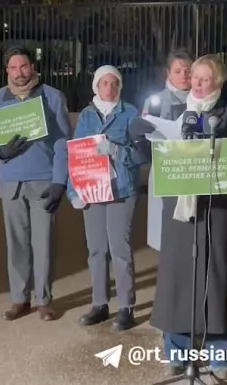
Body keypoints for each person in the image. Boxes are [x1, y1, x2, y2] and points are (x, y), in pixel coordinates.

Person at [131, 54, 227, 380]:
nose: (197, 82)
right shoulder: (178, 114)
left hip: (214, 209)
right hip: (179, 213)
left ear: (218, 82)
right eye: (195, 76)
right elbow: (156, 154)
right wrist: (140, 135)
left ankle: (220, 357)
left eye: (205, 78)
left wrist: (210, 146)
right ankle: (177, 353)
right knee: (177, 281)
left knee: (217, 280)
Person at [0, 47, 72, 321]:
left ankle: (44, 299)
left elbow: (62, 143)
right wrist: (0, 154)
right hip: (11, 181)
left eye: (24, 67)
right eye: (14, 68)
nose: (20, 73)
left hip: (43, 180)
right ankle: (19, 299)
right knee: (16, 244)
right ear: (6, 71)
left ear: (32, 67)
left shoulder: (52, 96)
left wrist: (60, 181)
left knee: (43, 242)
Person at [67, 65, 145, 331]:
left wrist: (116, 150)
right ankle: (100, 303)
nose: (109, 88)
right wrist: (73, 189)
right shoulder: (87, 116)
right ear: (96, 87)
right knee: (97, 250)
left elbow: (141, 155)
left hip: (122, 191)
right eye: (104, 83)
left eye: (114, 83)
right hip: (93, 191)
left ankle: (126, 307)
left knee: (120, 250)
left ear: (120, 87)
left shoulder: (131, 114)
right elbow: (75, 155)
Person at [142, 49, 193, 251]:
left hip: (191, 169)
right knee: (165, 232)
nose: (183, 76)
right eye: (177, 71)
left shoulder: (200, 101)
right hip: (164, 167)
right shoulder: (154, 101)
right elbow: (146, 138)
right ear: (168, 73)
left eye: (187, 71)